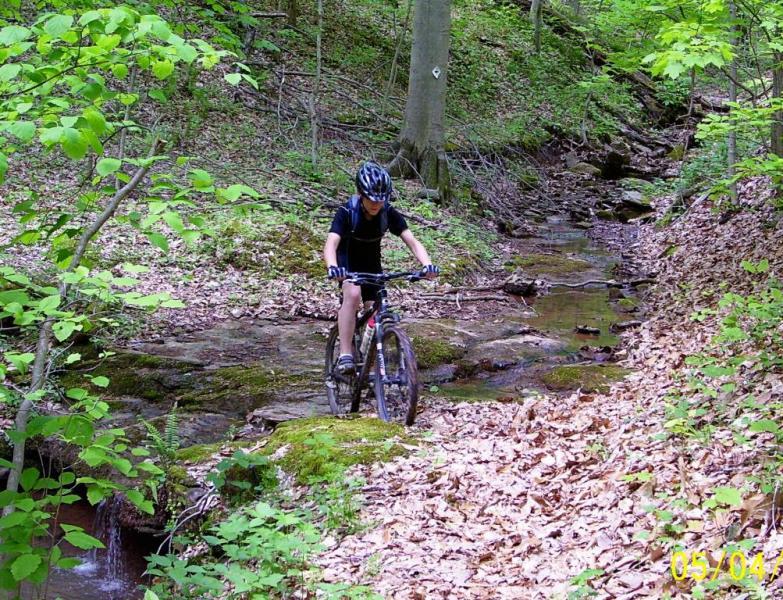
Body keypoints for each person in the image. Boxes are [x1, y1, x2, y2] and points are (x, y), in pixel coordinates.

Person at [323, 161, 439, 375]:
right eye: (371, 199)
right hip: (347, 263)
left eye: (381, 199)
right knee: (353, 294)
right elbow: (331, 244)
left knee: (376, 308)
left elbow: (411, 240)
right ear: (361, 194)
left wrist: (427, 265)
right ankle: (345, 354)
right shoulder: (346, 212)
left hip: (372, 264)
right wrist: (333, 267)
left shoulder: (388, 213)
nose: (376, 204)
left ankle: (371, 365)